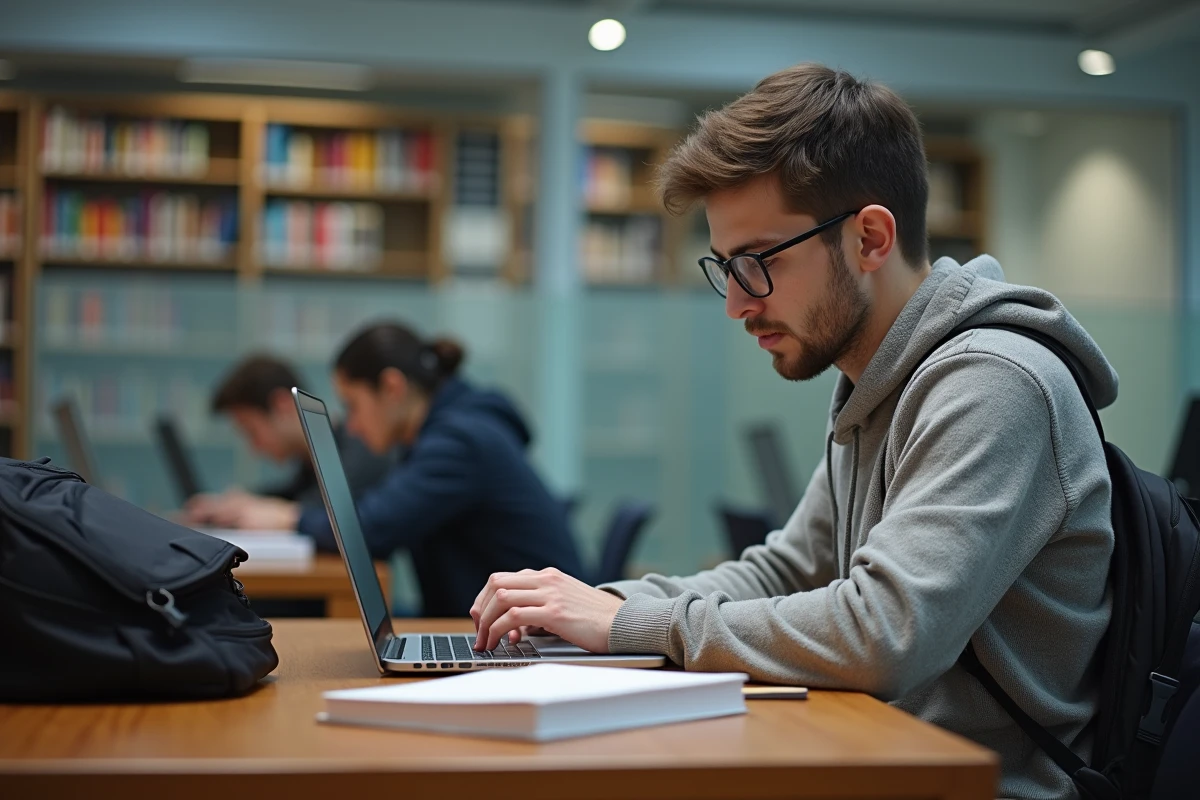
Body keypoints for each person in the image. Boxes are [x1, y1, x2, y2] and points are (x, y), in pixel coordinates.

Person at [470, 63, 1115, 800]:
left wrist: (629, 627)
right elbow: (783, 572)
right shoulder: (875, 383)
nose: (736, 306)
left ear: (870, 238)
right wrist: (597, 606)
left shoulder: (995, 383)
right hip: (869, 756)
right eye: (725, 267)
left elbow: (883, 634)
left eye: (757, 264)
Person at [226, 322, 586, 618]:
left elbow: (370, 528)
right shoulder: (445, 434)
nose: (350, 426)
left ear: (392, 388)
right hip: (496, 627)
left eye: (353, 405)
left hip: (537, 640)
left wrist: (288, 519)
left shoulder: (459, 442)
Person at [184, 354, 391, 527]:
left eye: (252, 431)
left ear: (282, 405)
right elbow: (293, 495)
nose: (254, 448)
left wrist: (252, 506)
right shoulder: (312, 460)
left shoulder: (360, 449)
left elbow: (328, 513)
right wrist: (239, 503)